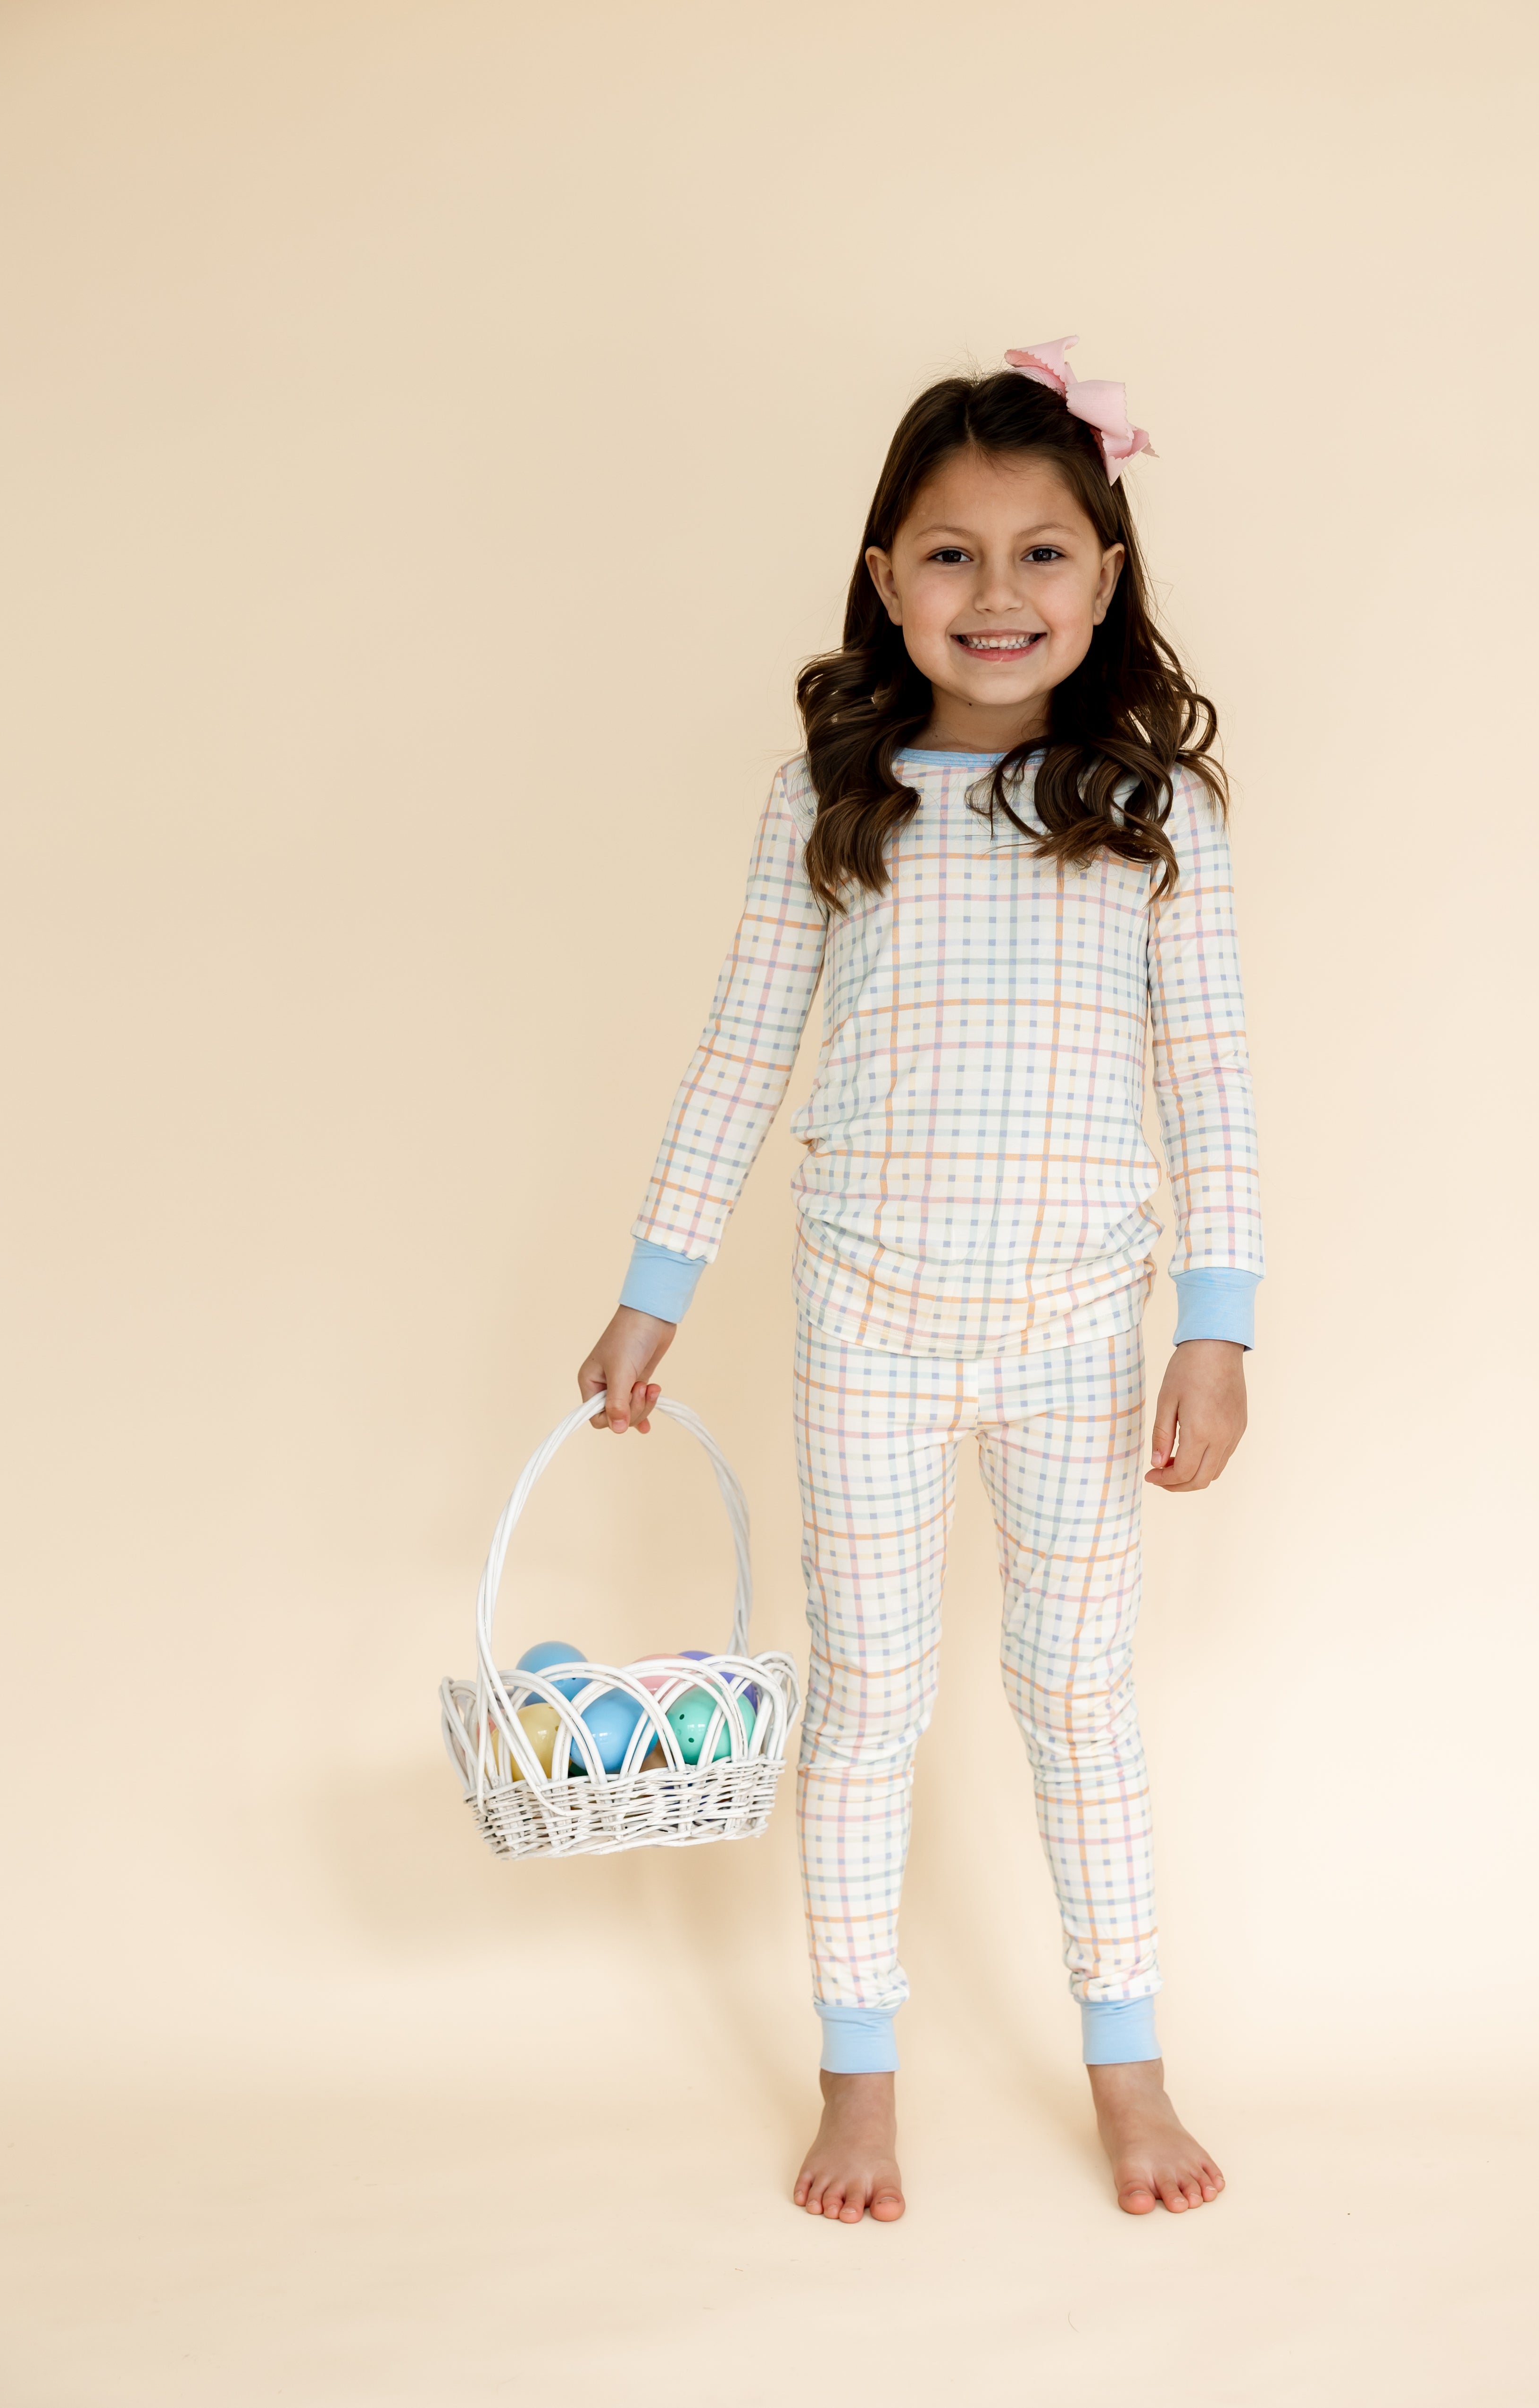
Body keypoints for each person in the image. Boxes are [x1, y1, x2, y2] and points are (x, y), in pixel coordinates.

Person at [576, 339, 1262, 2224]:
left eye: (1043, 553)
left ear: (1106, 576)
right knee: (868, 1698)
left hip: (1077, 1329)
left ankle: (1129, 2062)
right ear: (887, 577)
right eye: (952, 554)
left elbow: (1211, 1079)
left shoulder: (1154, 811)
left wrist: (1216, 1327)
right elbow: (742, 1048)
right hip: (866, 1321)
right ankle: (858, 2076)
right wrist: (653, 1286)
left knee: (1078, 1696)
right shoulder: (837, 797)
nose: (997, 593)